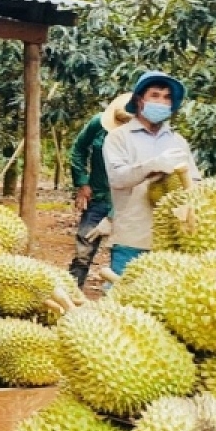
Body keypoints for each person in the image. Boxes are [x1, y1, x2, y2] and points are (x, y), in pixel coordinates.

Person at [102, 70, 200, 274]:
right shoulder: (119, 138)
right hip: (132, 236)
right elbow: (117, 179)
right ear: (139, 100)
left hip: (172, 240)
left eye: (167, 98)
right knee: (123, 299)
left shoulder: (178, 141)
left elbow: (195, 184)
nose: (161, 102)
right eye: (154, 95)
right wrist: (152, 165)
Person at [67, 93, 131, 287]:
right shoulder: (98, 123)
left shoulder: (139, 140)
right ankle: (71, 291)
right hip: (98, 196)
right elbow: (78, 150)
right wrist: (82, 182)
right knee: (83, 251)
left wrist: (112, 216)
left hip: (126, 204)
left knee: (122, 255)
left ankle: (115, 299)